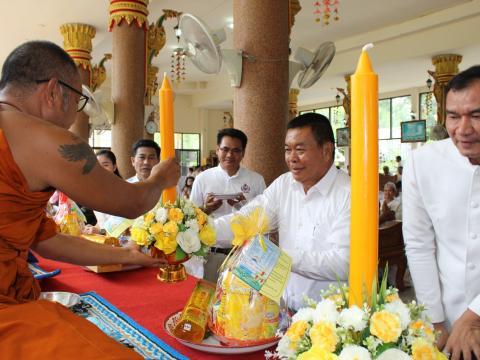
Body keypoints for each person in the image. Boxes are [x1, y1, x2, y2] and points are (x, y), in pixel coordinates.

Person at [0, 40, 180, 358]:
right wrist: (161, 178)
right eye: (79, 100)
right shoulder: (46, 138)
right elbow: (132, 203)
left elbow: (43, 239)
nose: (74, 117)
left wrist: (126, 256)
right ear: (54, 91)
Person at [214, 113, 351, 310]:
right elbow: (247, 219)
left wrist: (280, 257)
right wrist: (204, 230)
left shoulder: (349, 194)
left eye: (300, 150)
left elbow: (343, 263)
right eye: (288, 150)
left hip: (330, 319)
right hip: (285, 309)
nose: (292, 158)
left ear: (326, 150)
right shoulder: (284, 184)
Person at [403, 65, 480, 359]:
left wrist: (474, 315)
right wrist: (434, 319)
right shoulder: (423, 163)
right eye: (453, 116)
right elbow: (420, 243)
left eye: (476, 115)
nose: (463, 129)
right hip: (446, 316)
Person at [190, 128, 266, 279]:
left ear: (243, 153)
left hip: (245, 255)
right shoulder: (203, 179)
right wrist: (206, 209)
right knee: (209, 299)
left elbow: (264, 219)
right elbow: (190, 219)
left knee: (242, 300)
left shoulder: (256, 180)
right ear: (217, 150)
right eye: (225, 149)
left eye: (236, 150)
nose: (230, 155)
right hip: (211, 254)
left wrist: (245, 207)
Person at [103, 139, 161, 236]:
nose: (146, 162)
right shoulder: (124, 188)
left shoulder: (167, 188)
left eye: (151, 158)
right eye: (142, 157)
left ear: (158, 161)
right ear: (133, 161)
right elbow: (114, 225)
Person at [83, 149, 121, 234]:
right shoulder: (97, 190)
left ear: (114, 167)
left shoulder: (121, 192)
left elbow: (122, 230)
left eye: (105, 165)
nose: (101, 170)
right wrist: (93, 227)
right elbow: (102, 222)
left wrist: (100, 231)